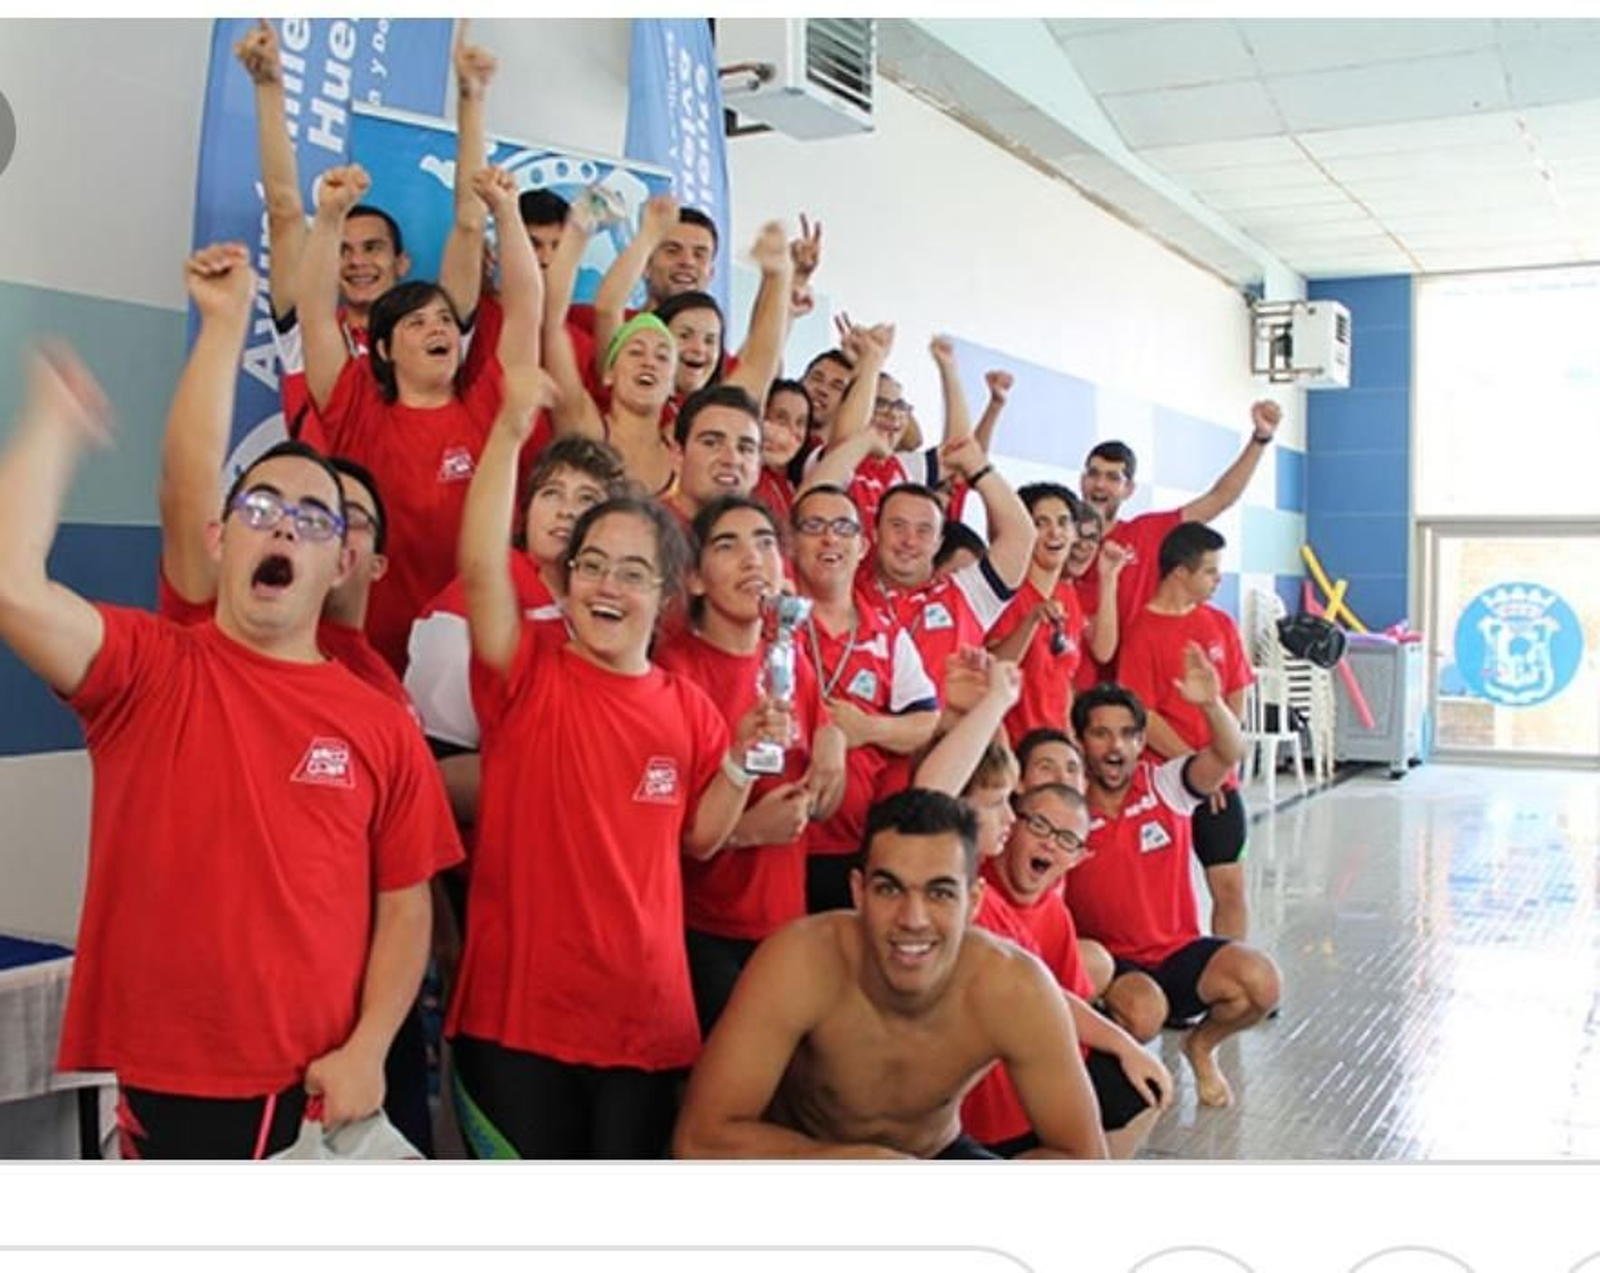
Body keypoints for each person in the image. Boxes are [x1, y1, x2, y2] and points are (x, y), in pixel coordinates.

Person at [0, 345, 462, 1158]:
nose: (283, 522)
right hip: (162, 1075)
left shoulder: (382, 720)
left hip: (315, 1086)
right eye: (260, 507)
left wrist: (368, 1046)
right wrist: (53, 425)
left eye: (314, 518)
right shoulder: (147, 668)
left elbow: (406, 905)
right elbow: (12, 587)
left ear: (342, 561)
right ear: (220, 538)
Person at [447, 367, 789, 1157]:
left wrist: (738, 762)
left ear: (667, 590)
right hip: (515, 1024)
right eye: (592, 565)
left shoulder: (689, 708)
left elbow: (702, 837)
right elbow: (478, 567)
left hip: (647, 1028)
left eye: (634, 573)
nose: (608, 585)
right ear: (563, 583)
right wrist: (506, 430)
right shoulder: (523, 666)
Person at [673, 788, 1108, 1159]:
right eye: (889, 889)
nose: (913, 918)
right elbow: (699, 1140)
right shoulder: (801, 960)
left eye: (939, 892)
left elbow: (1084, 1161)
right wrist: (850, 1166)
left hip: (934, 1159)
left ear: (974, 901)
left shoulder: (1014, 986)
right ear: (859, 892)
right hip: (802, 1163)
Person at [297, 161, 539, 674]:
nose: (439, 330)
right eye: (418, 322)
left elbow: (526, 310)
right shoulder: (355, 411)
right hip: (371, 654)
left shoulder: (488, 406)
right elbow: (315, 313)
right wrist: (330, 217)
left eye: (446, 320)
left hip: (469, 655)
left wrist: (508, 212)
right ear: (383, 348)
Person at [912, 676, 1169, 1158]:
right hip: (966, 1115)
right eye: (1003, 807)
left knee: (1135, 1094)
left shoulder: (1025, 904)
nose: (1009, 821)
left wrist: (1122, 1047)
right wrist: (996, 701)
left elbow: (1057, 1000)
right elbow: (934, 794)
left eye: (1067, 839)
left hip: (1021, 1090)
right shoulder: (953, 891)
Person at [236, 19, 493, 443]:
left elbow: (469, 222)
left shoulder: (437, 333)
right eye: (343, 250)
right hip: (329, 505)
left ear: (401, 262)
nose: (357, 261)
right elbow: (284, 210)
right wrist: (268, 86)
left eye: (373, 248)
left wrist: (471, 98)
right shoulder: (308, 333)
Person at [657, 495, 847, 1033]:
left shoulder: (790, 662)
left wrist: (834, 753)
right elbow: (655, 825)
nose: (752, 559)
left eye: (765, 543)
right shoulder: (672, 673)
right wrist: (744, 831)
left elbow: (822, 803)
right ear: (694, 579)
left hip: (785, 921)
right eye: (727, 545)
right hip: (700, 927)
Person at [1064, 658, 1281, 1108]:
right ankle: (1100, 1079)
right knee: (1145, 1014)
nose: (1114, 747)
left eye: (1127, 734)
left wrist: (1211, 705)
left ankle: (1200, 1048)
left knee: (1260, 983)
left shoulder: (1166, 785)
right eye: (1101, 733)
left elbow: (1227, 752)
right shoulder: (1067, 808)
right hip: (1114, 963)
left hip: (1178, 952)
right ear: (1081, 742)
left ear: (1142, 742)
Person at [789, 483, 939, 913]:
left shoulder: (887, 634)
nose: (829, 538)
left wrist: (867, 728)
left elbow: (926, 722)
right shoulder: (769, 619)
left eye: (842, 527)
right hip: (775, 838)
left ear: (862, 545)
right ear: (793, 541)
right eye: (813, 526)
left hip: (853, 851)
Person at [1073, 398, 1282, 680]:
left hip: (1135, 685)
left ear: (1129, 489)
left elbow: (1220, 499)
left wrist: (1260, 440)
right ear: (1082, 479)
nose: (1099, 484)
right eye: (1094, 474)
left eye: (1113, 478)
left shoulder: (1145, 533)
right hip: (1075, 686)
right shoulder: (1059, 542)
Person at [1117, 522, 1256, 939]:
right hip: (1163, 783)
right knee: (1163, 895)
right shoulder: (1142, 632)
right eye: (1210, 572)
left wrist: (1218, 760)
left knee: (1230, 887)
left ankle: (1231, 970)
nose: (1217, 581)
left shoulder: (1220, 624)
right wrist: (1196, 770)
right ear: (1181, 572)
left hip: (1221, 785)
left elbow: (1234, 691)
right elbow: (1144, 712)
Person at [662, 384, 764, 529]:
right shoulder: (645, 531)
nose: (731, 460)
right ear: (677, 456)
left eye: (745, 449)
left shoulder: (765, 543)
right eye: (711, 443)